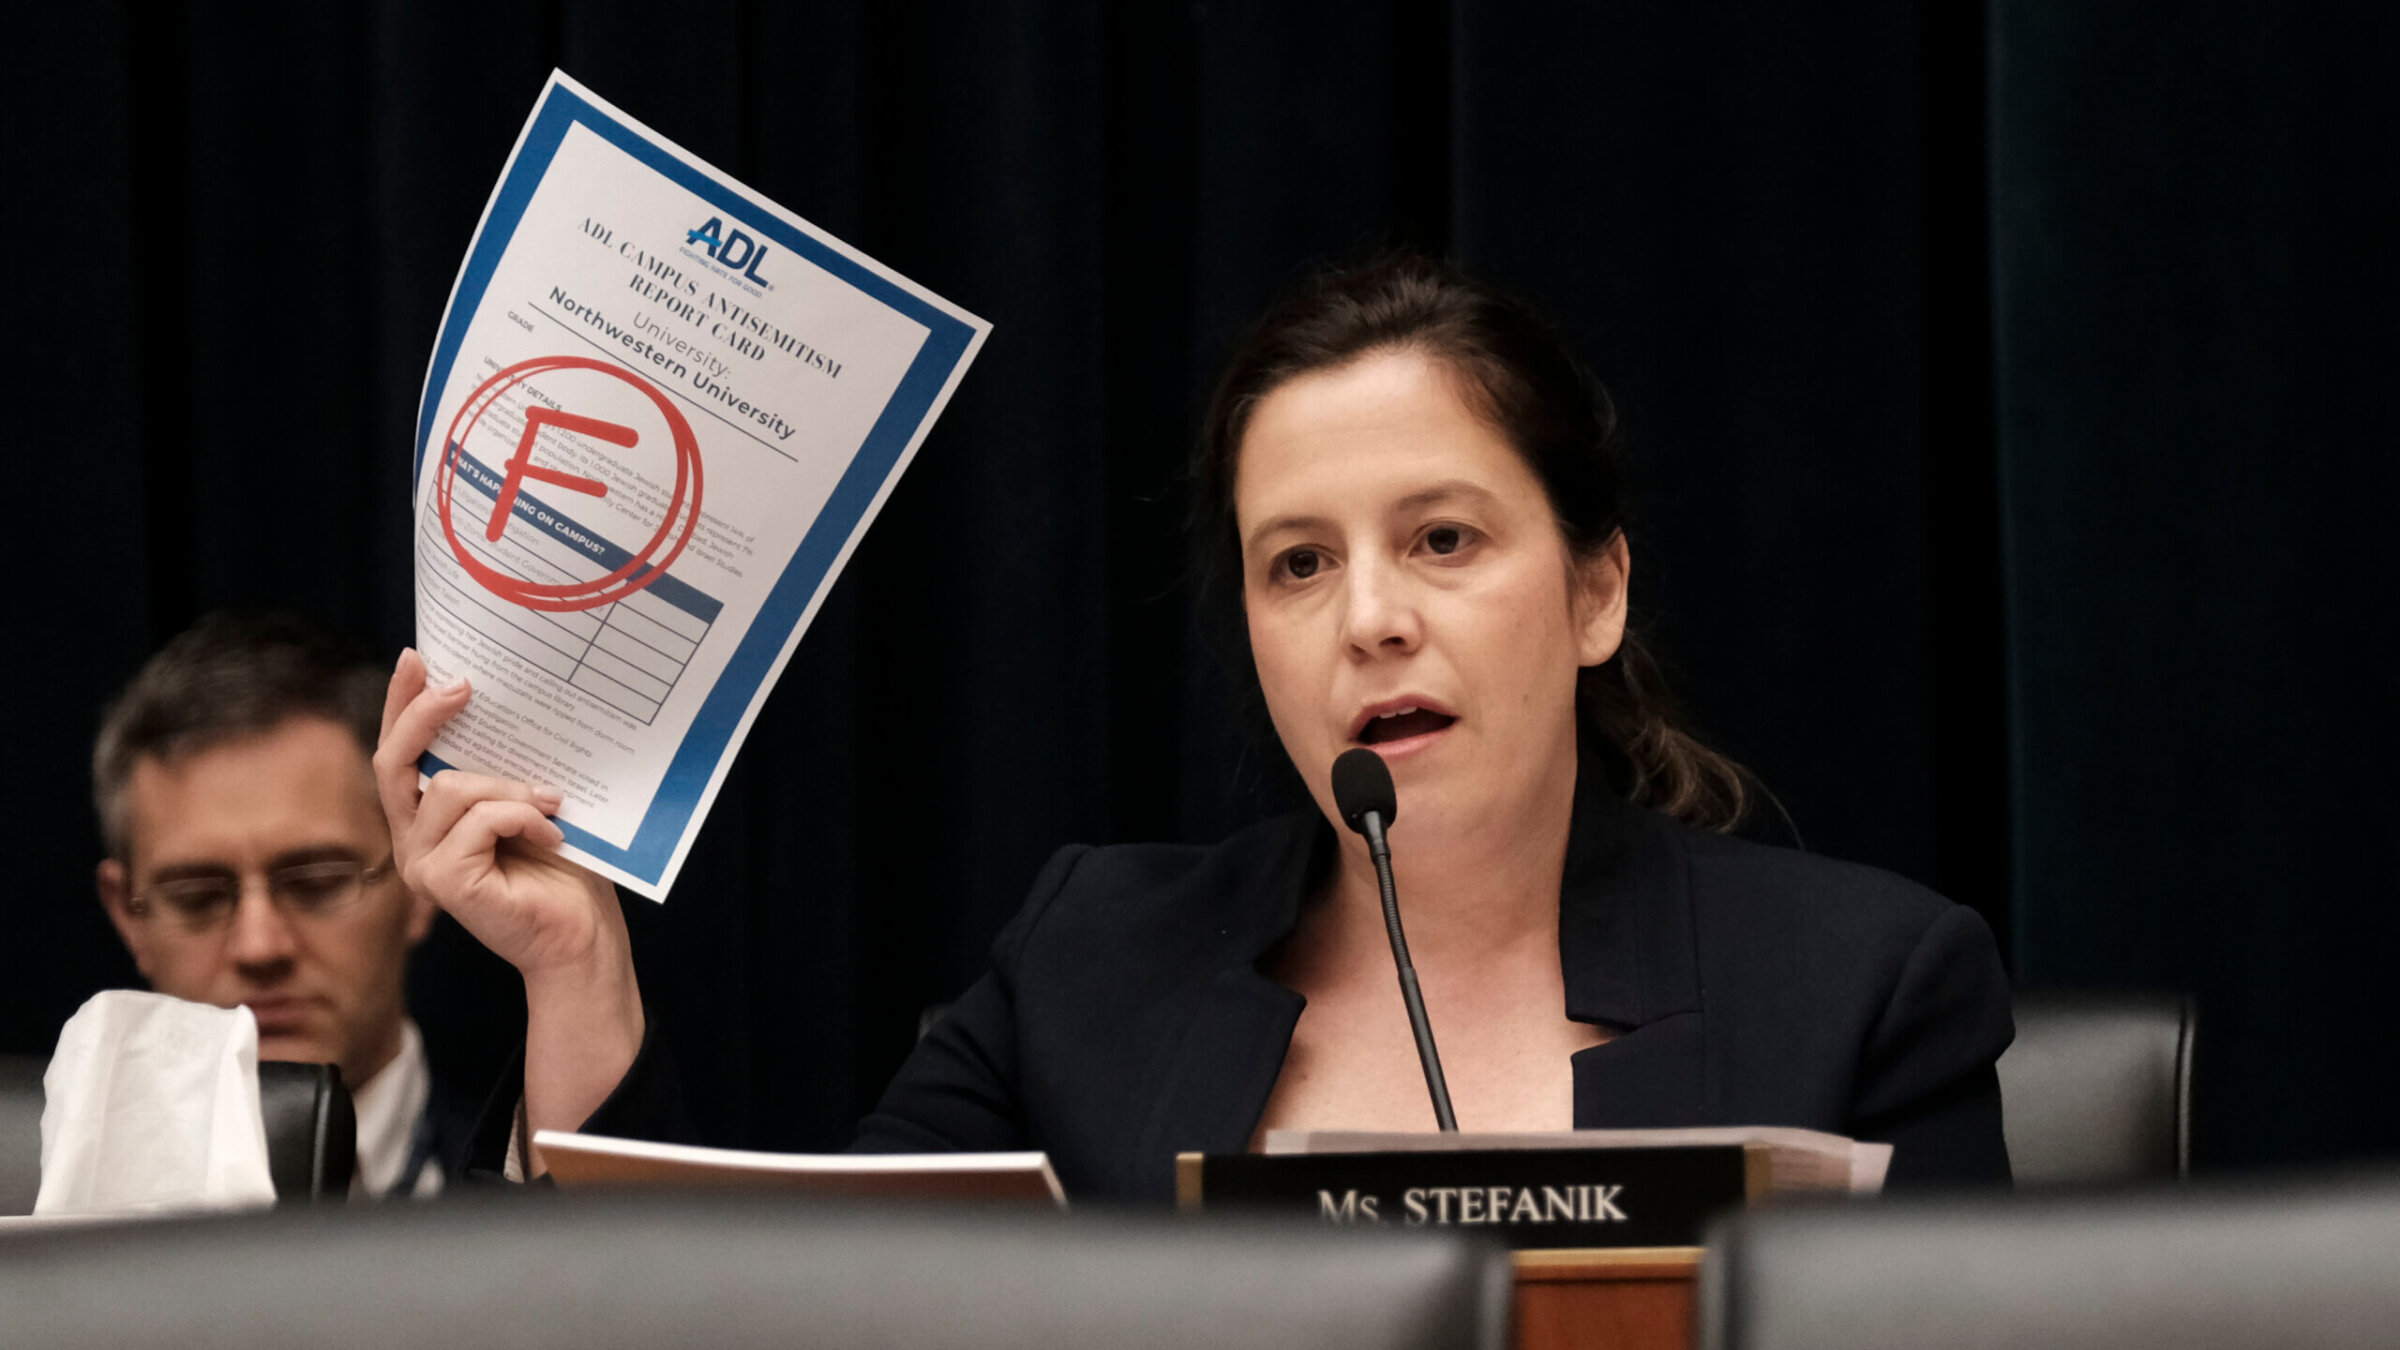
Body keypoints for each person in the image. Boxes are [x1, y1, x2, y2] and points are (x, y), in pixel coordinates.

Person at [377, 252, 2012, 1195]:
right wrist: (573, 980)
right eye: (1297, 563)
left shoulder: (1862, 991)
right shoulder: (1096, 960)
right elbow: (796, 1311)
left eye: (1443, 539)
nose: (1370, 614)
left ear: (1594, 595)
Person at [94, 612, 473, 1197]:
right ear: (127, 915)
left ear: (417, 882)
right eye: (196, 896)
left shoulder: (551, 1187)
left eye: (318, 882)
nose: (259, 946)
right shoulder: (41, 1214)